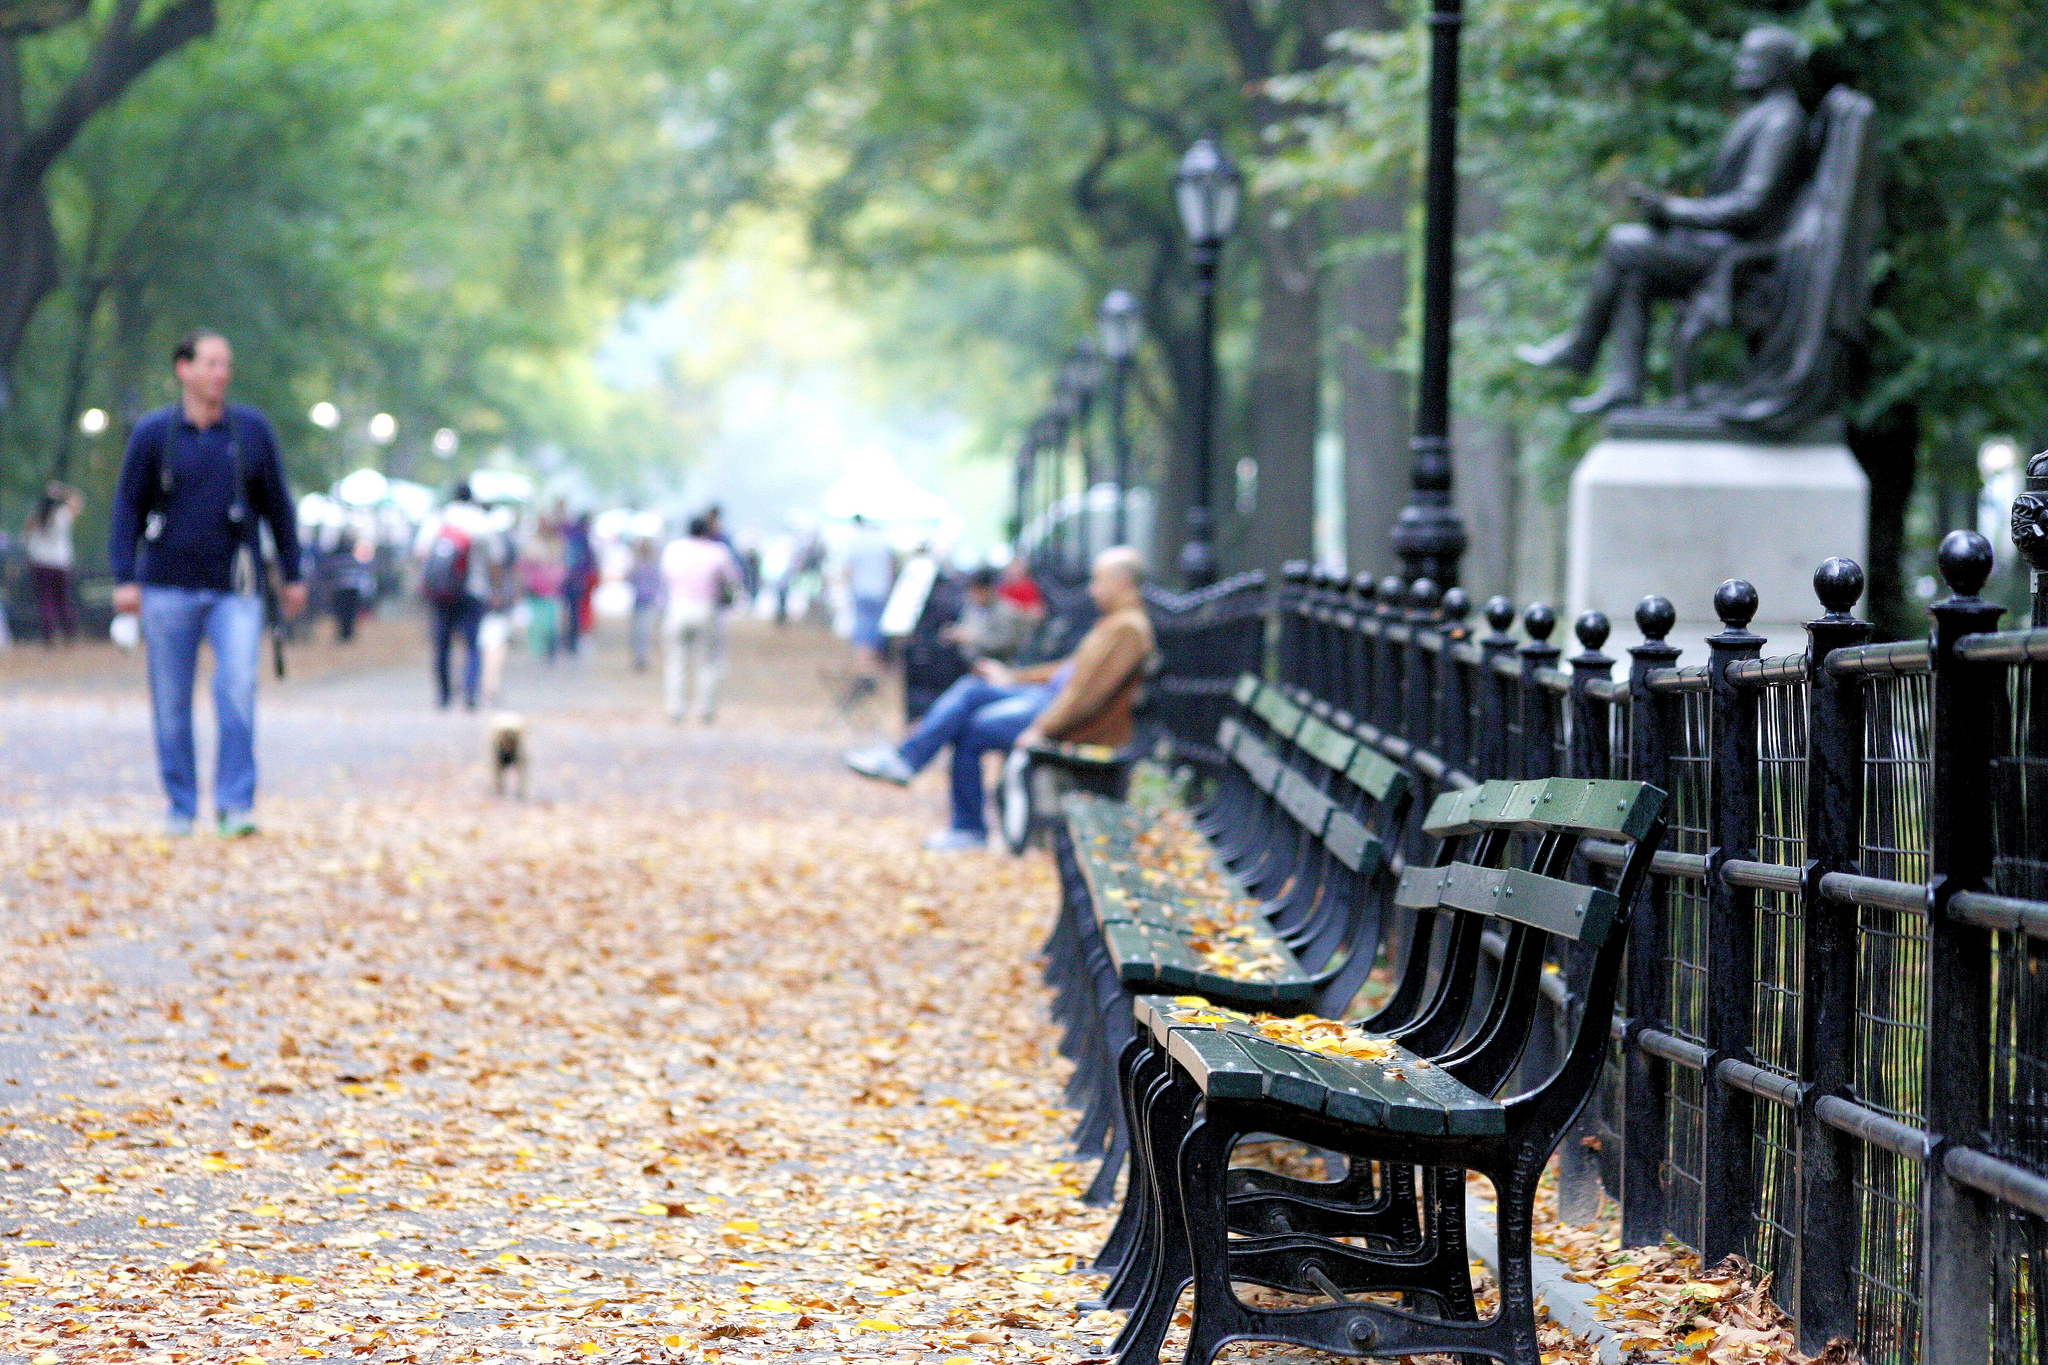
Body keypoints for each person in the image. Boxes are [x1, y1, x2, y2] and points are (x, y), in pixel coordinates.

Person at [1516, 26, 1810, 414]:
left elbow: (1750, 206)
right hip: (1726, 249)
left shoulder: (1781, 122)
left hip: (1745, 259)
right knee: (1636, 273)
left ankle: (1579, 349)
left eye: (1752, 58)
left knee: (1623, 244)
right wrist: (1668, 212)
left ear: (1780, 68)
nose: (1739, 65)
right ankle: (1624, 384)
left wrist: (1673, 210)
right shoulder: (1765, 116)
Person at [108, 329, 306, 837]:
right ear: (184, 368)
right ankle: (180, 805)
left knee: (237, 688)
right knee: (171, 699)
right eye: (212, 363)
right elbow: (128, 505)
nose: (221, 373)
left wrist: (293, 572)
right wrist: (124, 576)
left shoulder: (250, 432)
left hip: (235, 588)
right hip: (166, 587)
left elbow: (279, 507)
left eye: (226, 364)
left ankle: (235, 804)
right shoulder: (155, 433)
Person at [843, 547, 1154, 850]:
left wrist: (1043, 729)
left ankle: (958, 817)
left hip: (1059, 714)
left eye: (1099, 580)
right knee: (972, 687)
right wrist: (1010, 677)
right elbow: (1067, 672)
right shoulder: (1114, 622)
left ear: (1122, 581)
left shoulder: (1128, 628)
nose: (1091, 589)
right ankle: (911, 766)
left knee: (971, 728)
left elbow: (1088, 696)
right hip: (1047, 700)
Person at [415, 481, 508, 710]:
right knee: (472, 645)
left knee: (442, 644)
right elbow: (496, 560)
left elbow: (420, 552)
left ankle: (444, 694)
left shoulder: (438, 519)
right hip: (474, 592)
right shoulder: (483, 522)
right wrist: (496, 590)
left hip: (441, 592)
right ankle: (470, 694)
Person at [660, 514, 743, 724]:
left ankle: (675, 708)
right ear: (707, 531)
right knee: (708, 662)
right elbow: (733, 580)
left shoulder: (674, 550)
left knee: (676, 661)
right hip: (707, 609)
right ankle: (705, 709)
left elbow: (666, 577)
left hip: (677, 607)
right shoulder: (717, 552)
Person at [23, 480, 84, 644]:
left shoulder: (37, 517)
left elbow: (26, 536)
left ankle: (48, 636)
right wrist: (63, 489)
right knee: (63, 600)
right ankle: (69, 634)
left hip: (40, 562)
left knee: (46, 600)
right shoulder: (62, 515)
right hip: (60, 563)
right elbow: (78, 500)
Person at [943, 565, 1031, 664]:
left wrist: (971, 638)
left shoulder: (1007, 611)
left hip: (997, 665)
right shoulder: (971, 607)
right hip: (969, 662)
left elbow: (1004, 644)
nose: (972, 595)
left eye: (977, 591)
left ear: (988, 590)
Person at [842, 513, 895, 674]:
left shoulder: (855, 542)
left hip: (861, 589)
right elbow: (890, 566)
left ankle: (864, 665)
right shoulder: (883, 541)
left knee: (863, 626)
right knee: (879, 627)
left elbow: (848, 569)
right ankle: (878, 664)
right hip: (881, 590)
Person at [627, 536, 661, 672]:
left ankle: (642, 657)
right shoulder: (637, 564)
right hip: (639, 601)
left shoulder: (652, 566)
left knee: (644, 631)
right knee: (638, 631)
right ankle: (639, 657)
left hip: (648, 602)